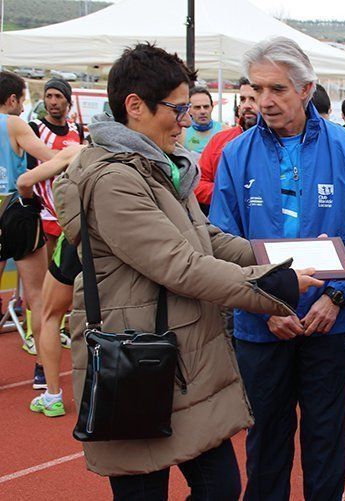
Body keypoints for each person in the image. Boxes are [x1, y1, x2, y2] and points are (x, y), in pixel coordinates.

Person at [52, 42, 321, 499]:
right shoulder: (115, 179)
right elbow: (181, 266)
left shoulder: (157, 166)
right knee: (149, 491)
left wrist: (279, 255)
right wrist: (276, 285)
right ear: (135, 107)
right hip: (136, 358)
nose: (185, 120)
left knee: (220, 485)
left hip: (178, 355)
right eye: (177, 109)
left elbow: (207, 239)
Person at [209, 37, 345, 501]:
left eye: (278, 90)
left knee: (326, 439)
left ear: (306, 90)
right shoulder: (235, 153)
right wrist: (264, 307)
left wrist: (336, 297)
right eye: (258, 89)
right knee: (265, 439)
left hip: (329, 320)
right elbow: (220, 241)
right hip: (262, 325)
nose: (265, 101)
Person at [0, 70, 58, 385]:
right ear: (12, 99)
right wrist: (75, 153)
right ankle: (41, 370)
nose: (23, 108)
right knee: (37, 296)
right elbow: (49, 157)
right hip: (16, 207)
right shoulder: (14, 124)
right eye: (22, 101)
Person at [19, 145, 85, 417]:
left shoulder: (80, 150)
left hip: (78, 241)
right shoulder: (150, 152)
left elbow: (24, 182)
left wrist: (31, 202)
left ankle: (52, 396)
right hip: (120, 246)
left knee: (50, 313)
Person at [27, 78, 85, 257]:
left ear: (68, 101)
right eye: (48, 96)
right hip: (45, 212)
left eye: (58, 96)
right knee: (48, 271)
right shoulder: (35, 128)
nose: (53, 101)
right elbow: (30, 170)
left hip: (70, 210)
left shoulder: (77, 130)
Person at [194, 77, 258, 212]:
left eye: (253, 99)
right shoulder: (220, 140)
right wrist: (230, 194)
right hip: (225, 223)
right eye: (242, 99)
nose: (246, 105)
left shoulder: (282, 141)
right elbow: (198, 184)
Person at [182, 86, 224, 154]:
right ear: (189, 110)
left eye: (206, 107)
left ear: (212, 107)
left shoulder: (225, 131)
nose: (203, 111)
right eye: (197, 107)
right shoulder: (181, 134)